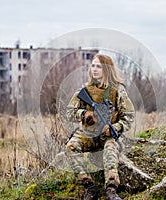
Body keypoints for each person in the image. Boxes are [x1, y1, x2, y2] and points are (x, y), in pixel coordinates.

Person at [65, 54, 135, 200]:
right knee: (71, 146)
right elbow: (69, 112)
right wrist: (84, 114)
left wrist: (115, 128)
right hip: (87, 133)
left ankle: (111, 189)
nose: (94, 69)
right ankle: (90, 187)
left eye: (99, 66)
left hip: (107, 135)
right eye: (93, 66)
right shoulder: (85, 89)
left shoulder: (117, 90)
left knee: (110, 148)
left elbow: (129, 116)